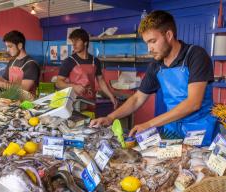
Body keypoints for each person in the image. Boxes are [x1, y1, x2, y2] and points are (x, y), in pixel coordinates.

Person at [90, 10, 217, 146]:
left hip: (200, 130)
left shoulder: (195, 55)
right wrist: (110, 118)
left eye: (153, 41)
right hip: (172, 129)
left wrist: (149, 124)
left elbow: (193, 103)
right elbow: (137, 99)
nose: (149, 49)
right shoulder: (156, 65)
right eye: (147, 43)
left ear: (168, 35)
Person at [56, 28, 117, 109]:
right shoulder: (69, 61)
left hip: (91, 102)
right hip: (74, 104)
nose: (74, 44)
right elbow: (58, 83)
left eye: (77, 41)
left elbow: (101, 80)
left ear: (85, 42)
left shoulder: (95, 61)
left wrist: (111, 96)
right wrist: (73, 86)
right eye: (73, 41)